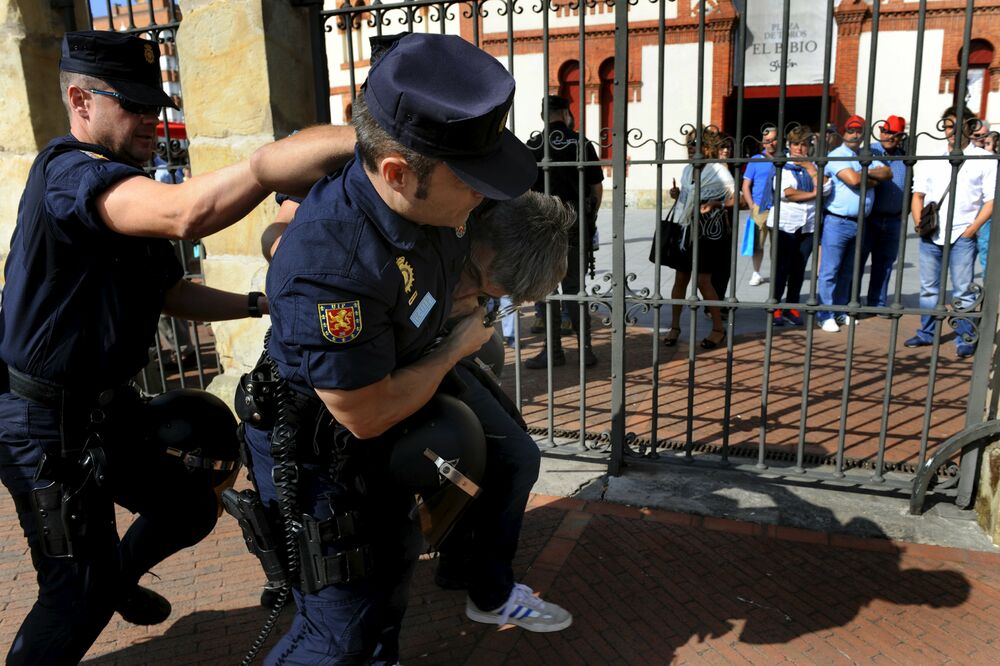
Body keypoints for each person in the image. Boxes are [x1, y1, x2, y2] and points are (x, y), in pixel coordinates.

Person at [0, 30, 352, 665]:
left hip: (105, 410)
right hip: (42, 421)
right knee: (73, 594)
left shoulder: (125, 185)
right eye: (133, 104)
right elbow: (187, 213)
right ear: (81, 101)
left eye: (154, 105)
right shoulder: (68, 174)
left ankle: (117, 579)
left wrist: (255, 304)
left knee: (189, 503)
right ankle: (98, 589)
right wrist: (271, 163)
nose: (150, 119)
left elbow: (168, 291)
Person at [241, 33, 573, 664]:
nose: (482, 199)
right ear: (397, 172)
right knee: (335, 634)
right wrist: (455, 349)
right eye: (471, 182)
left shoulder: (426, 200)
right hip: (326, 449)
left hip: (386, 419)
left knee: (385, 590)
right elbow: (363, 412)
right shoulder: (335, 265)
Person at [905, 106, 996, 358]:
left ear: (969, 126)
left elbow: (991, 200)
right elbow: (918, 195)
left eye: (957, 125)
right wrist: (918, 224)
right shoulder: (932, 157)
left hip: (962, 235)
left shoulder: (983, 159)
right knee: (928, 288)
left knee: (963, 289)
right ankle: (927, 333)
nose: (951, 131)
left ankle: (965, 336)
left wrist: (972, 229)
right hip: (931, 234)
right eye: (947, 126)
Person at [524, 95, 604, 369]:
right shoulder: (581, 143)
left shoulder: (534, 145)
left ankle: (553, 351)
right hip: (575, 224)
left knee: (547, 291)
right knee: (574, 290)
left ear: (544, 115)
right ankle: (585, 351)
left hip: (543, 226)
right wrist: (590, 218)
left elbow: (522, 189)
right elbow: (596, 187)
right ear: (566, 114)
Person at [815, 114, 892, 333]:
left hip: (860, 222)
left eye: (859, 131)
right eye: (851, 130)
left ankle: (839, 310)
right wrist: (868, 177)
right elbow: (854, 180)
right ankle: (825, 313)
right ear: (843, 132)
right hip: (838, 221)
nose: (855, 134)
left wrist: (862, 174)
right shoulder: (837, 155)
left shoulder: (865, 154)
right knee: (830, 269)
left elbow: (887, 172)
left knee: (848, 270)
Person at [662, 126, 734, 349]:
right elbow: (686, 197)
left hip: (708, 232)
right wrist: (677, 194)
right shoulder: (686, 170)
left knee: (704, 281)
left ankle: (718, 330)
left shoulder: (719, 171)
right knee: (680, 279)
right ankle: (674, 327)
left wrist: (716, 203)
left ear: (708, 147)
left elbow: (737, 200)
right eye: (689, 144)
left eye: (696, 143)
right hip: (685, 231)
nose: (691, 148)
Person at [767, 125, 831, 327]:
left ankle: (792, 306)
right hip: (785, 225)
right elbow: (787, 193)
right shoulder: (783, 166)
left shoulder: (815, 166)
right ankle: (775, 306)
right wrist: (814, 194)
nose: (800, 149)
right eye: (796, 144)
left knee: (799, 268)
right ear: (789, 145)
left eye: (804, 144)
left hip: (809, 225)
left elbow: (827, 187)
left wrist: (812, 170)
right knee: (781, 268)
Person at [859, 114, 908, 311]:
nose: (887, 136)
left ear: (900, 136)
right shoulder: (869, 152)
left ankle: (876, 303)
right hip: (869, 218)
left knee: (885, 263)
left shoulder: (905, 158)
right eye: (884, 131)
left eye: (893, 133)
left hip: (894, 219)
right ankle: (852, 303)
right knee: (858, 261)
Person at [741, 125, 778, 286]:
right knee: (758, 244)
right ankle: (756, 273)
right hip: (760, 207)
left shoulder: (785, 159)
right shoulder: (755, 160)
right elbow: (745, 185)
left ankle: (777, 272)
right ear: (763, 143)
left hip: (779, 207)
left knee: (778, 244)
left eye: (774, 140)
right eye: (767, 141)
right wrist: (751, 205)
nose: (771, 144)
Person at [971, 122, 996, 272]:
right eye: (977, 136)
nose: (981, 139)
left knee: (986, 248)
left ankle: (989, 290)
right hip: (969, 207)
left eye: (985, 136)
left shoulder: (992, 156)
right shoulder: (965, 155)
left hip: (987, 206)